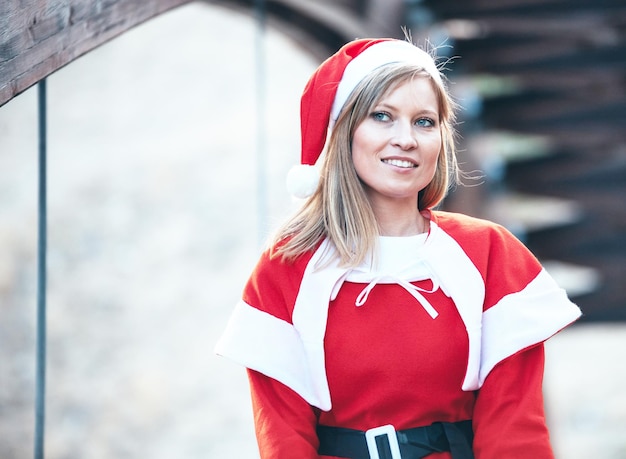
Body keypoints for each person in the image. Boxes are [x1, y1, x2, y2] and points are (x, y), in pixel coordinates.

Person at [215, 37, 582, 459]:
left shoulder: (490, 254)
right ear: (343, 132)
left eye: (424, 122)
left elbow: (515, 431)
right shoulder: (287, 267)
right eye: (383, 116)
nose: (406, 139)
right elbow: (282, 438)